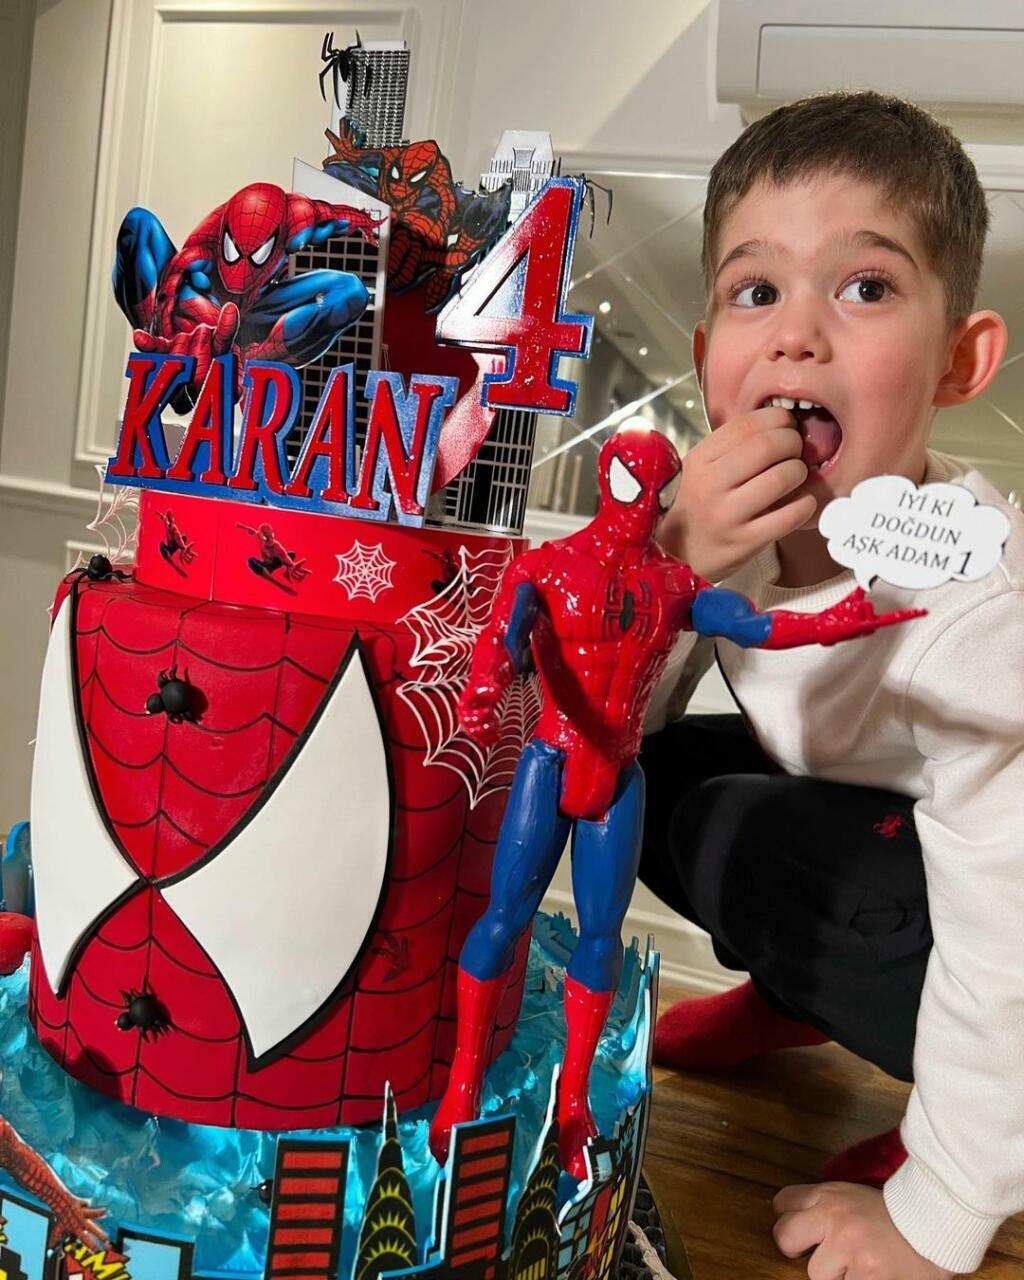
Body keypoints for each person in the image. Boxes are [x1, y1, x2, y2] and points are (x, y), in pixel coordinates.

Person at [642, 90, 1023, 1279]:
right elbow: (606, 723)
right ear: (707, 360)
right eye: (756, 291)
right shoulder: (730, 529)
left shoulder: (978, 619)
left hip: (1006, 912)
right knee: (658, 775)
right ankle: (797, 991)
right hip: (884, 827)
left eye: (864, 286)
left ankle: (961, 1128)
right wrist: (671, 570)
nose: (796, 334)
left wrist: (939, 1206)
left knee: (745, 824)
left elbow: (1007, 926)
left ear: (958, 360)